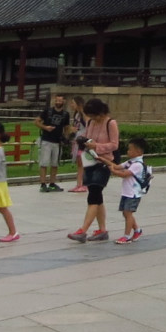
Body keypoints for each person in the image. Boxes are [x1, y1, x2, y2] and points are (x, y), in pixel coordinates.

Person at [67, 99, 118, 242]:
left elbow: (114, 145)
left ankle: (83, 230)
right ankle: (102, 230)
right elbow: (88, 139)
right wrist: (84, 141)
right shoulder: (90, 122)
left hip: (104, 162)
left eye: (95, 115)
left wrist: (97, 146)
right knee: (97, 195)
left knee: (93, 196)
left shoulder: (111, 123)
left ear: (101, 112)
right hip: (90, 160)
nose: (93, 119)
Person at [110, 138, 150, 242]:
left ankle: (126, 236)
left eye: (130, 150)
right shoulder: (130, 162)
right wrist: (104, 161)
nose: (128, 151)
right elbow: (118, 166)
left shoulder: (137, 165)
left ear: (138, 152)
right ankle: (137, 230)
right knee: (126, 213)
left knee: (128, 213)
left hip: (133, 194)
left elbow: (124, 174)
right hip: (126, 192)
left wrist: (113, 171)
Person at [36, 93, 71, 192]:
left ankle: (52, 183)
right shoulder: (48, 111)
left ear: (64, 102)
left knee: (55, 163)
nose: (58, 102)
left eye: (60, 101)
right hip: (47, 140)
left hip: (57, 141)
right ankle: (43, 184)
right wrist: (45, 127)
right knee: (44, 162)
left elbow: (66, 127)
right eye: (57, 100)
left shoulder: (66, 114)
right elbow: (37, 121)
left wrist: (66, 138)